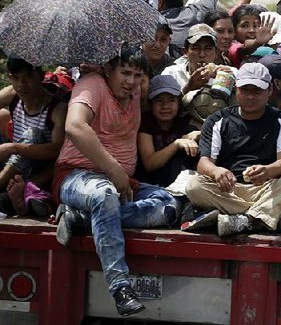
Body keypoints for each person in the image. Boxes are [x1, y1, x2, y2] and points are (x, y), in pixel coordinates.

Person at [52, 47, 178, 317]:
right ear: (108, 69)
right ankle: (120, 286)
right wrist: (113, 169)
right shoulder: (91, 84)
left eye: (137, 75)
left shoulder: (134, 95)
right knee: (104, 194)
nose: (131, 81)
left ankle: (82, 219)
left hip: (119, 184)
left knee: (169, 204)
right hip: (77, 176)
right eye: (125, 73)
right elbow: (75, 126)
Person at [182, 63, 281, 236]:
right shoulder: (218, 119)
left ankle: (245, 220)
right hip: (229, 190)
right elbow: (204, 163)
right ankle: (264, 216)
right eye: (245, 90)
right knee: (194, 186)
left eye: (257, 91)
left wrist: (268, 170)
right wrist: (217, 172)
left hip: (268, 187)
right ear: (236, 89)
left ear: (269, 90)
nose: (250, 96)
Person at [0, 57, 67, 217]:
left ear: (40, 76)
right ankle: (17, 194)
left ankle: (22, 190)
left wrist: (12, 147)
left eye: (28, 77)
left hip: (44, 173)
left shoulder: (57, 108)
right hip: (15, 170)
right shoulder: (13, 94)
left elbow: (56, 150)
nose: (22, 84)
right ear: (10, 78)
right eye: (16, 78)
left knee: (33, 134)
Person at [135, 75, 197, 189]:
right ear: (151, 104)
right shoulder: (146, 123)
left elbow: (207, 131)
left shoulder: (184, 121)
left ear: (179, 103)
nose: (165, 106)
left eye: (171, 100)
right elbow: (149, 163)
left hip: (179, 182)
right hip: (150, 183)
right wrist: (176, 144)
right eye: (159, 101)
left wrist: (197, 134)